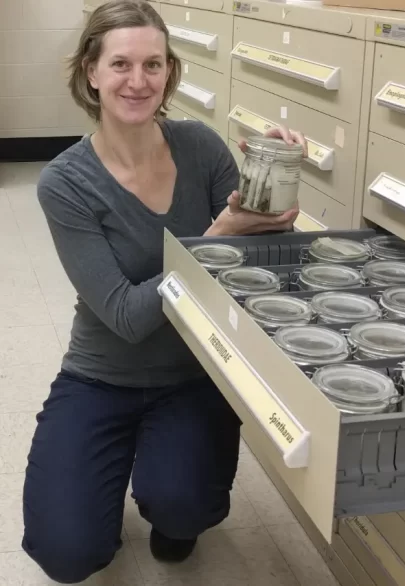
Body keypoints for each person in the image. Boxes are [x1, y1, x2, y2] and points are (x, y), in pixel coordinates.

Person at [21, 1, 307, 583]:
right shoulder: (66, 182)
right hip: (102, 374)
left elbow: (265, 266)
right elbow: (126, 315)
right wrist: (217, 234)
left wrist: (272, 184)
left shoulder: (201, 147)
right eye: (121, 63)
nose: (138, 80)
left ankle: (173, 508)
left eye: (154, 64)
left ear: (170, 73)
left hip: (195, 372)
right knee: (66, 553)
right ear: (90, 72)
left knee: (183, 506)